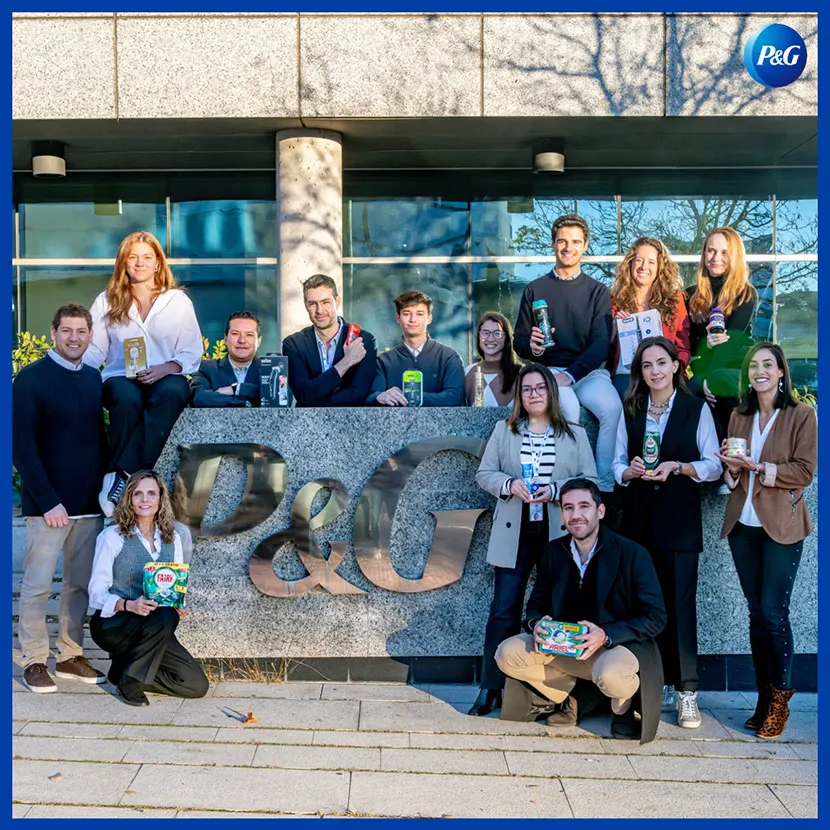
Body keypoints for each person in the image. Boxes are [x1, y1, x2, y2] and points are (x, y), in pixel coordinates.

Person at [469, 363, 598, 717]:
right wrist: (510, 486)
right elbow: (484, 474)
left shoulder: (574, 434)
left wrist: (555, 490)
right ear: (519, 396)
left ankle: (555, 691)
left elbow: (591, 481)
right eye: (527, 389)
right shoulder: (504, 430)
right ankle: (490, 688)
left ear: (550, 392)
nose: (534, 394)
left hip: (558, 531)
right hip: (516, 529)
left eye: (540, 388)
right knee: (504, 609)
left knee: (559, 610)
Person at [494, 478, 666, 743]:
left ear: (600, 511)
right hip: (566, 646)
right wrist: (536, 624)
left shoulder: (633, 554)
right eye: (568, 508)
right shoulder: (553, 551)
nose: (576, 515)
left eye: (584, 506)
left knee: (611, 676)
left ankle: (621, 707)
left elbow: (656, 617)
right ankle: (573, 696)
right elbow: (536, 604)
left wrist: (606, 634)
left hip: (615, 647)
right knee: (507, 654)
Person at [613, 336, 721, 729]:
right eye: (646, 365)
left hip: (679, 521)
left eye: (661, 363)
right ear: (639, 371)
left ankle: (687, 693)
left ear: (675, 366)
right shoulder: (631, 408)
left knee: (680, 608)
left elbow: (713, 465)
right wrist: (629, 471)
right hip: (639, 521)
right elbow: (615, 465)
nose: (655, 371)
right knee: (642, 608)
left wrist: (679, 466)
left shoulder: (695, 409)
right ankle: (645, 689)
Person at [717, 343, 816, 739]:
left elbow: (805, 471)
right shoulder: (738, 417)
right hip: (744, 526)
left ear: (780, 372)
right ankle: (762, 698)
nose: (760, 371)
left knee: (775, 614)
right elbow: (733, 480)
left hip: (782, 526)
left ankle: (779, 702)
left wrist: (762, 468)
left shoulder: (800, 415)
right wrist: (731, 471)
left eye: (767, 365)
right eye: (753, 365)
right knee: (756, 614)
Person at [13, 303, 108, 693]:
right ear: (53, 332)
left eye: (81, 331)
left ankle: (69, 655)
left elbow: (95, 441)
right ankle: (34, 659)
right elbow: (20, 445)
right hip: (48, 506)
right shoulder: (31, 379)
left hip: (88, 504)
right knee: (36, 585)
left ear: (89, 335)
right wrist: (48, 500)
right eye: (66, 331)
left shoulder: (92, 379)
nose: (74, 338)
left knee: (79, 586)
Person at [85, 231, 203, 517]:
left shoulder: (177, 301)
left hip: (167, 375)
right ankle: (135, 478)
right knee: (127, 398)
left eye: (147, 257)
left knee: (174, 392)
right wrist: (72, 374)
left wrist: (167, 368)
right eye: (133, 257)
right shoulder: (107, 300)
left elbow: (191, 351)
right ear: (123, 263)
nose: (140, 263)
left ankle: (121, 474)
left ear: (158, 264)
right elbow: (95, 350)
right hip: (121, 378)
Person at [513, 214, 621, 499]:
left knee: (612, 408)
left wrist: (571, 374)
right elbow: (519, 342)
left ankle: (602, 487)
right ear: (553, 244)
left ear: (585, 245)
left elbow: (601, 344)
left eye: (575, 241)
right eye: (562, 241)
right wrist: (533, 348)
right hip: (547, 373)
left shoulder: (598, 292)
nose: (568, 247)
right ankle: (570, 485)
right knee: (569, 409)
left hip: (585, 372)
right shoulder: (535, 289)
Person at [88, 470, 209, 706]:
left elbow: (172, 584)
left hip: (153, 627)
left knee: (195, 684)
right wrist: (127, 604)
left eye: (151, 493)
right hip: (114, 624)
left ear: (161, 499)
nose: (145, 500)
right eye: (138, 494)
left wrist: (178, 605)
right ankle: (131, 682)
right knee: (164, 615)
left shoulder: (171, 537)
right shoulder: (111, 537)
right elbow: (95, 593)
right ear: (129, 499)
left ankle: (123, 672)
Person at [686, 226, 757, 443]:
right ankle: (706, 461)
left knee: (720, 387)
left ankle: (729, 460)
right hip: (701, 371)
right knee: (690, 392)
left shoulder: (745, 294)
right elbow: (689, 345)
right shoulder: (689, 295)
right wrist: (706, 348)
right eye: (711, 251)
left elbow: (730, 342)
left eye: (724, 252)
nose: (716, 257)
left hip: (733, 369)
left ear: (734, 256)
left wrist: (710, 376)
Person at [609, 237, 691, 399]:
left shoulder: (674, 300)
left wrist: (673, 372)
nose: (643, 267)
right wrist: (614, 329)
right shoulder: (614, 301)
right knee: (636, 396)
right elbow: (602, 348)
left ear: (660, 267)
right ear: (630, 264)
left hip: (663, 375)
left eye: (651, 262)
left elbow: (683, 348)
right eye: (639, 260)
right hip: (627, 376)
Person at [282, 274, 377, 406]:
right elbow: (303, 395)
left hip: (351, 423)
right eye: (312, 304)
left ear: (337, 302)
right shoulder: (293, 344)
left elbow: (359, 394)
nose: (319, 310)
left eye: (325, 302)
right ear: (306, 306)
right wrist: (347, 361)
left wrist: (316, 398)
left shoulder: (363, 340)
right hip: (307, 424)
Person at [366, 290, 465, 406]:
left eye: (419, 314)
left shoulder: (449, 358)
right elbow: (371, 397)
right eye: (406, 313)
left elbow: (455, 397)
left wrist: (412, 397)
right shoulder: (383, 361)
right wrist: (380, 396)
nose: (413, 319)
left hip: (440, 423)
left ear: (429, 318)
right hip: (397, 423)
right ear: (398, 317)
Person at [191, 311, 262, 407]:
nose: (242, 340)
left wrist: (238, 389)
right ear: (225, 338)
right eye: (235, 334)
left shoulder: (269, 369)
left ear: (259, 341)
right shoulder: (207, 368)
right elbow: (199, 398)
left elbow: (284, 397)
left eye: (249, 335)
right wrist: (244, 403)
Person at [464, 311, 522, 407]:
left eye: (497, 333)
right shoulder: (468, 372)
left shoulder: (521, 373)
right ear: (479, 337)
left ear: (506, 338)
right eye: (485, 333)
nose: (490, 339)